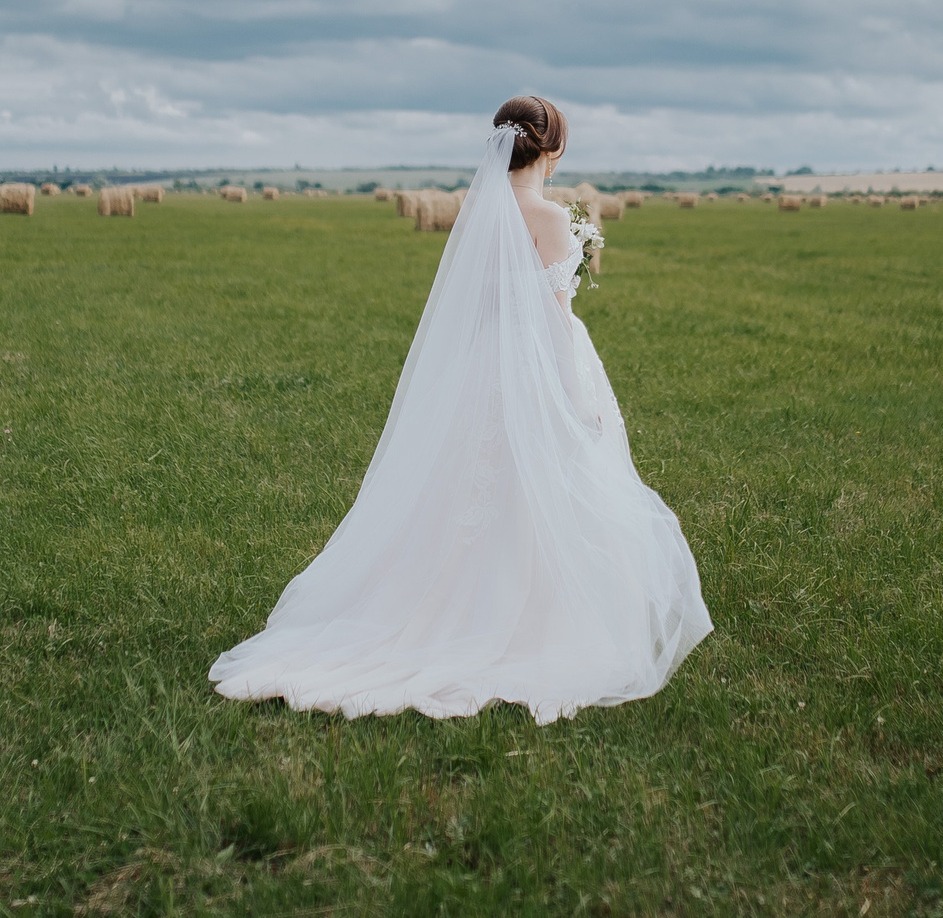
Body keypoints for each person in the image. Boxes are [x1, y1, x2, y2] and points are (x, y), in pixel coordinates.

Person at [210, 96, 712, 723]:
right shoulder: (551, 218)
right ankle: (529, 619)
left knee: (469, 489)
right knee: (543, 488)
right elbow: (556, 321)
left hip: (483, 364)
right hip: (535, 364)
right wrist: (575, 398)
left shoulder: (479, 212)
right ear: (551, 149)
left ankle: (447, 603)